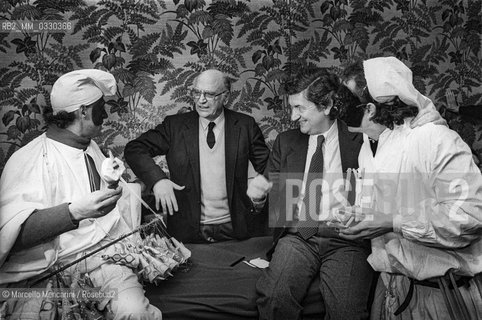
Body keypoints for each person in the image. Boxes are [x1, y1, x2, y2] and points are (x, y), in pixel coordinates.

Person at [0, 69, 162, 319]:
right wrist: (74, 212)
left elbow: (108, 203)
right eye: (101, 108)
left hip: (105, 258)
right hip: (52, 270)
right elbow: (11, 233)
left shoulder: (91, 147)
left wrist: (147, 190)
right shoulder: (28, 160)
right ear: (83, 111)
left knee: (134, 313)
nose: (106, 114)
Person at [337, 56, 482, 319]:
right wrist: (359, 215)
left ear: (369, 108)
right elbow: (384, 209)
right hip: (394, 288)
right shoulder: (370, 149)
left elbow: (471, 216)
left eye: (345, 100)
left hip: (441, 295)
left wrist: (393, 222)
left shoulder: (436, 140)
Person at [248, 68, 375, 319]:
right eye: (292, 108)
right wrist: (258, 197)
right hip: (298, 237)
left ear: (326, 105)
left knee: (347, 312)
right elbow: (271, 203)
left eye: (300, 108)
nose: (293, 116)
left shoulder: (360, 140)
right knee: (274, 298)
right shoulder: (286, 142)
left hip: (345, 240)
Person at [124, 69, 270, 243]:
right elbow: (134, 149)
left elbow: (270, 166)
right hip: (188, 232)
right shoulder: (174, 126)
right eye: (196, 93)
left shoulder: (245, 125)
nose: (201, 100)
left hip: (237, 229)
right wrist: (158, 180)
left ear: (226, 96)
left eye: (209, 94)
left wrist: (261, 191)